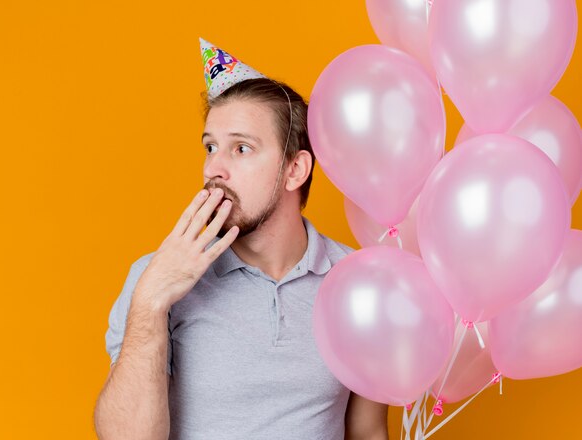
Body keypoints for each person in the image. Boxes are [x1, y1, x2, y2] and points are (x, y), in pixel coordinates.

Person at [93, 38, 388, 440]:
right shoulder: (152, 278)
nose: (214, 167)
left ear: (295, 170)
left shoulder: (357, 282)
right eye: (210, 147)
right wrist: (150, 303)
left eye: (241, 148)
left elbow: (367, 432)